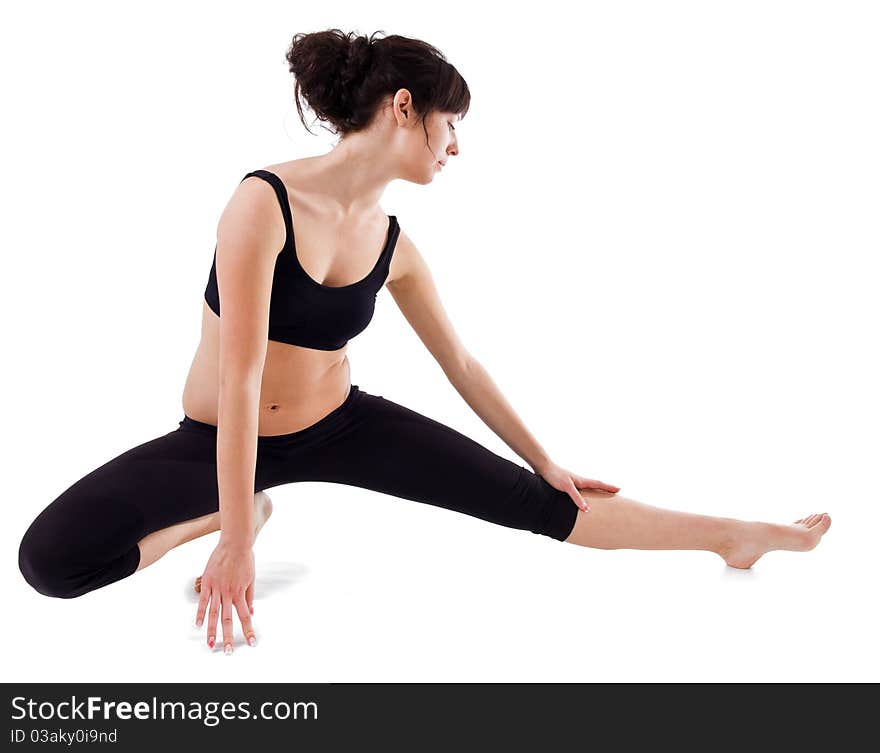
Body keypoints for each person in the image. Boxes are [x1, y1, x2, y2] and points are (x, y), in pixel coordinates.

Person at [17, 29, 831, 655]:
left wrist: (543, 457)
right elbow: (239, 379)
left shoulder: (394, 243)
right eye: (450, 125)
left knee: (543, 504)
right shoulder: (261, 203)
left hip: (342, 426)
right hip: (220, 441)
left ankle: (731, 534)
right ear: (403, 107)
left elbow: (463, 363)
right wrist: (233, 534)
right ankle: (247, 510)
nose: (455, 147)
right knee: (50, 563)